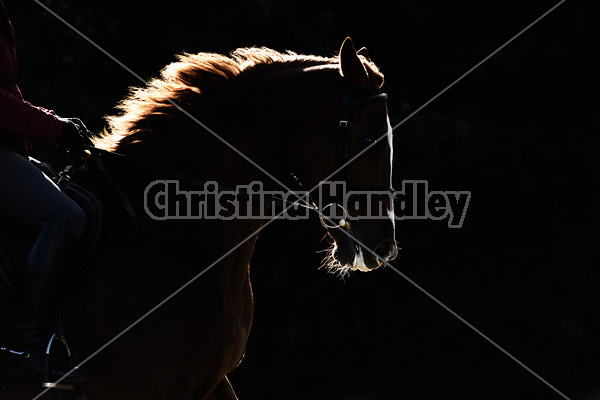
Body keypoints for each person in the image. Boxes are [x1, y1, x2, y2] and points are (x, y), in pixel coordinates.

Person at [0, 0, 87, 383]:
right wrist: (54, 128)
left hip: (10, 150)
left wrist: (55, 124)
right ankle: (30, 349)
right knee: (67, 216)